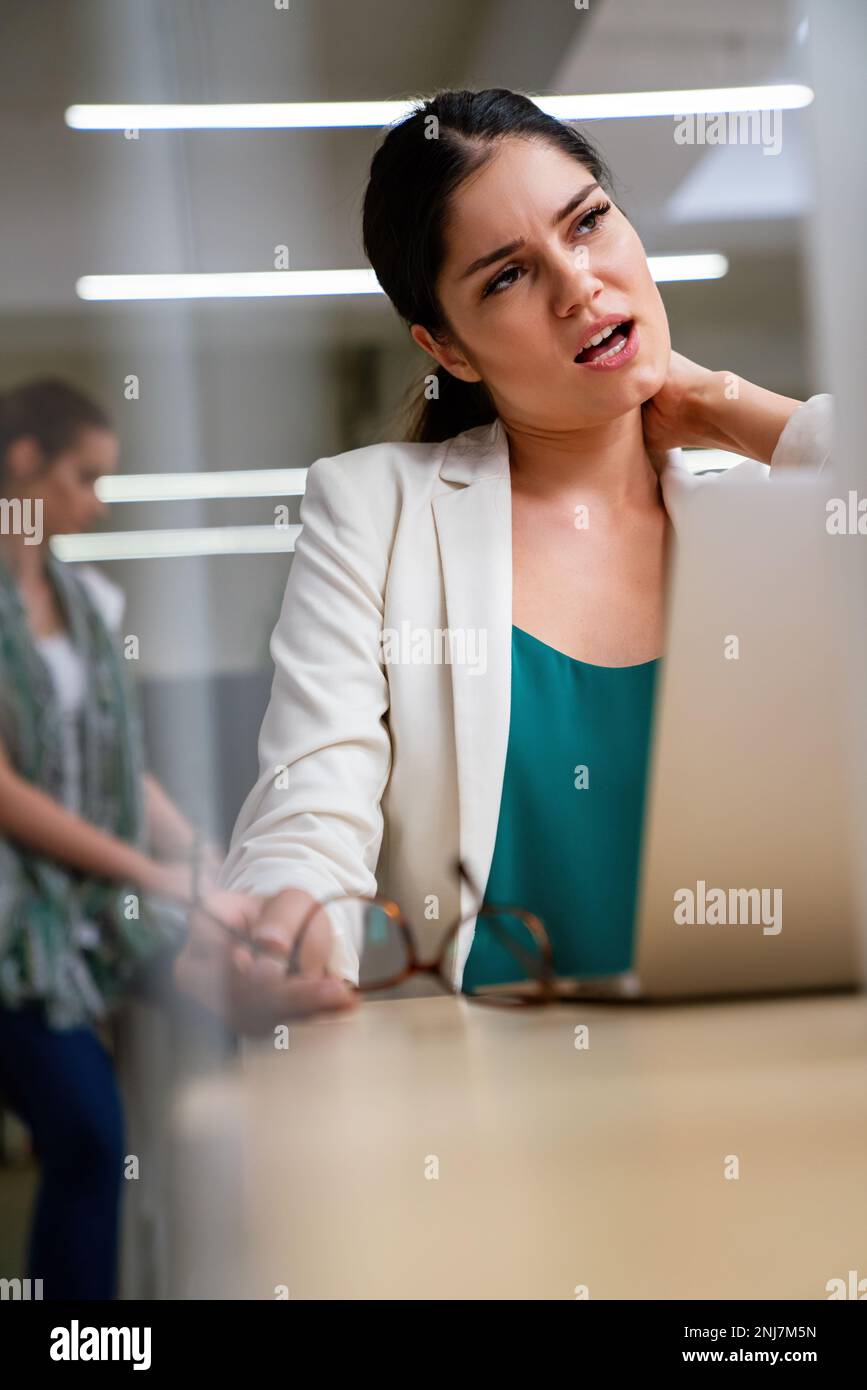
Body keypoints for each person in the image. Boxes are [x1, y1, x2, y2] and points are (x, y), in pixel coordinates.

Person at [195, 87, 832, 1009]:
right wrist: (285, 922)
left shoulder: (762, 523)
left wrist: (729, 408)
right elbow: (311, 805)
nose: (578, 287)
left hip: (758, 1053)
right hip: (489, 1077)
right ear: (448, 350)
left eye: (588, 222)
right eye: (506, 277)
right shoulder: (376, 512)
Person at [0, 378, 224, 1299]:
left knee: (229, 993)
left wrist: (200, 861)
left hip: (89, 904)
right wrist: (147, 871)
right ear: (25, 462)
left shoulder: (87, 602)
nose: (96, 502)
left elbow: (120, 766)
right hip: (14, 930)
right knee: (91, 1137)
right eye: (84, 477)